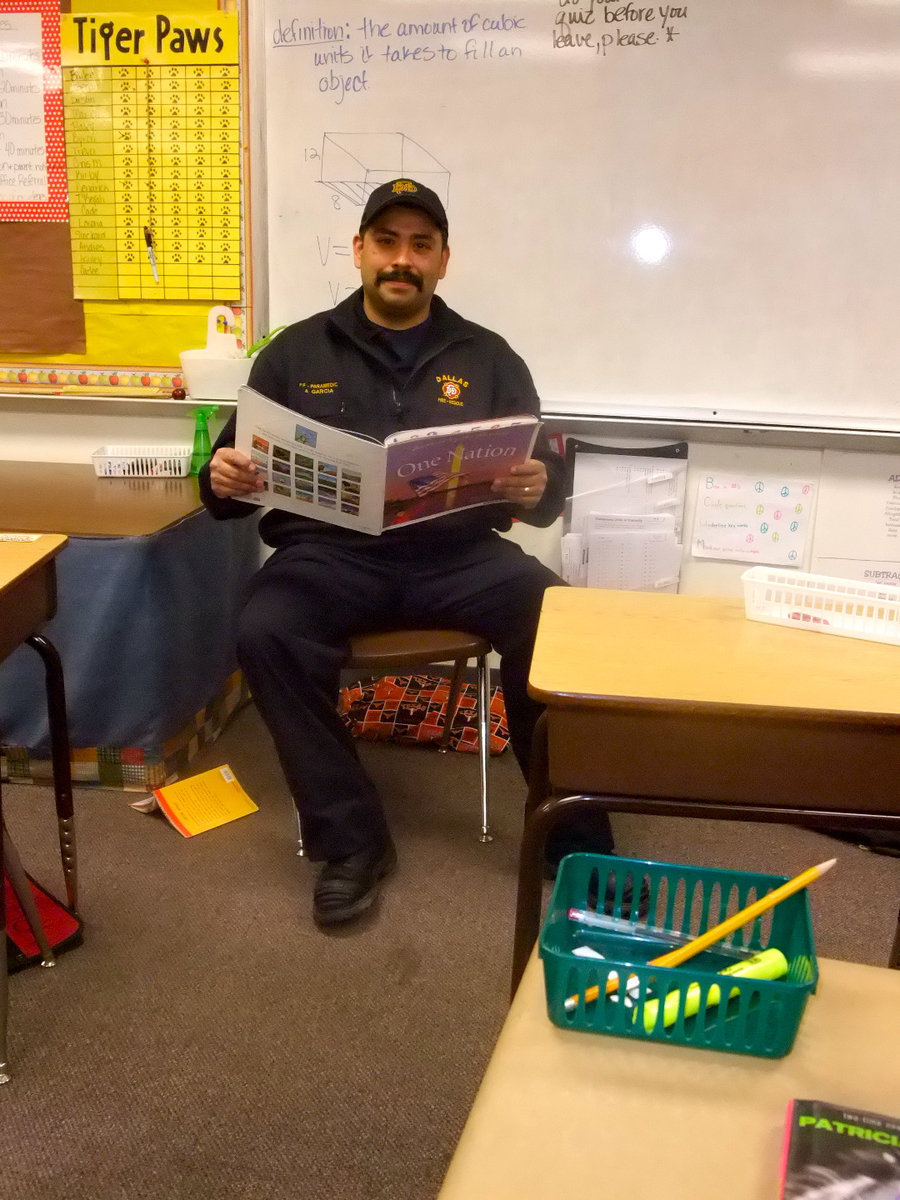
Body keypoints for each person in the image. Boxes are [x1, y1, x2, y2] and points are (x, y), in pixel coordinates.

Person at [199, 177, 610, 928]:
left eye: (421, 245)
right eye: (387, 242)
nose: (402, 259)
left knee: (557, 618)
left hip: (457, 558)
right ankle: (352, 840)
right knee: (265, 629)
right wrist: (221, 475)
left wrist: (535, 484)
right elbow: (230, 482)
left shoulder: (489, 358)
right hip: (330, 557)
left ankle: (574, 840)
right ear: (358, 251)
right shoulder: (293, 353)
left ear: (443, 261)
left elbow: (544, 488)